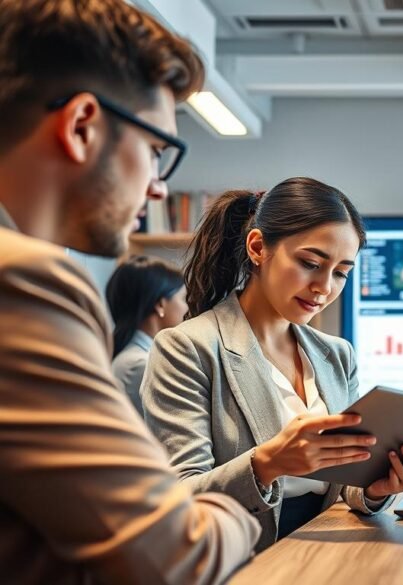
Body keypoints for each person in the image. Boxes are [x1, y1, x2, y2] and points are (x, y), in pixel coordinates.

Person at [0, 1, 260, 582]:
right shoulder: (24, 280)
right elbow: (171, 555)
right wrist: (238, 515)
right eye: (156, 152)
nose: (159, 188)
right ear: (82, 126)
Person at [141, 178, 403, 551]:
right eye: (310, 263)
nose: (324, 287)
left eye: (341, 272)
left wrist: (376, 490)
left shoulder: (337, 354)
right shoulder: (187, 347)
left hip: (324, 553)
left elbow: (346, 484)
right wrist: (267, 463)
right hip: (241, 559)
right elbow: (178, 499)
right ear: (257, 248)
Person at [107, 256, 187, 415]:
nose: (187, 307)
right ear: (160, 305)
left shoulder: (134, 358)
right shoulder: (140, 365)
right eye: (183, 298)